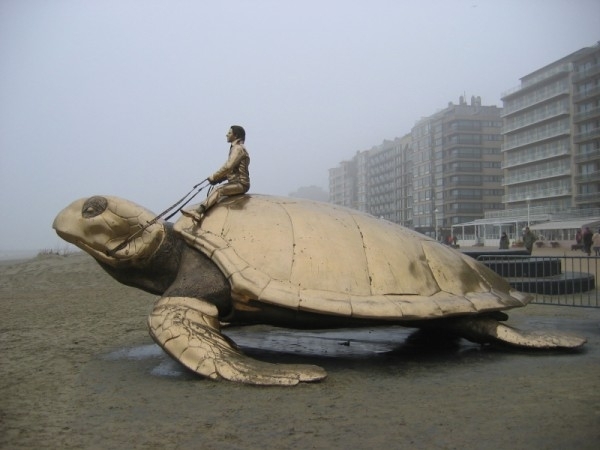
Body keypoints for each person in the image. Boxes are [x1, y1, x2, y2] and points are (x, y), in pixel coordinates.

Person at [182, 125, 250, 222]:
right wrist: (218, 179)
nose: (226, 135)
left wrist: (214, 176)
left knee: (218, 190)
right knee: (217, 190)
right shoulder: (236, 148)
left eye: (229, 133)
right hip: (235, 182)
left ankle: (198, 212)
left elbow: (228, 167)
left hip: (240, 184)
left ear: (236, 136)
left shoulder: (238, 149)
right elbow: (232, 171)